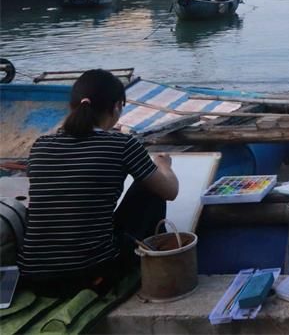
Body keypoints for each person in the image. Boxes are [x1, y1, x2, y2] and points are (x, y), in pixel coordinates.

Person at [18, 69, 179, 297]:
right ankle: (155, 255)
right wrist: (164, 165)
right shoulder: (122, 144)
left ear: (73, 107)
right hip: (90, 275)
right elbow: (170, 191)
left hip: (34, 277)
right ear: (116, 108)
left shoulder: (41, 146)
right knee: (149, 189)